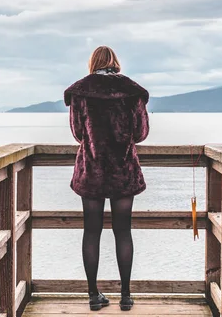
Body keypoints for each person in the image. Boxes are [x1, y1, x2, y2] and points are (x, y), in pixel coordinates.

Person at [64, 46, 150, 312]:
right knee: (123, 231)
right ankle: (125, 296)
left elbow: (78, 133)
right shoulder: (131, 91)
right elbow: (141, 132)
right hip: (123, 169)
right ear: (115, 62)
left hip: (92, 170)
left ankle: (93, 295)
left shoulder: (81, 91)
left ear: (93, 63)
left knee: (92, 231)